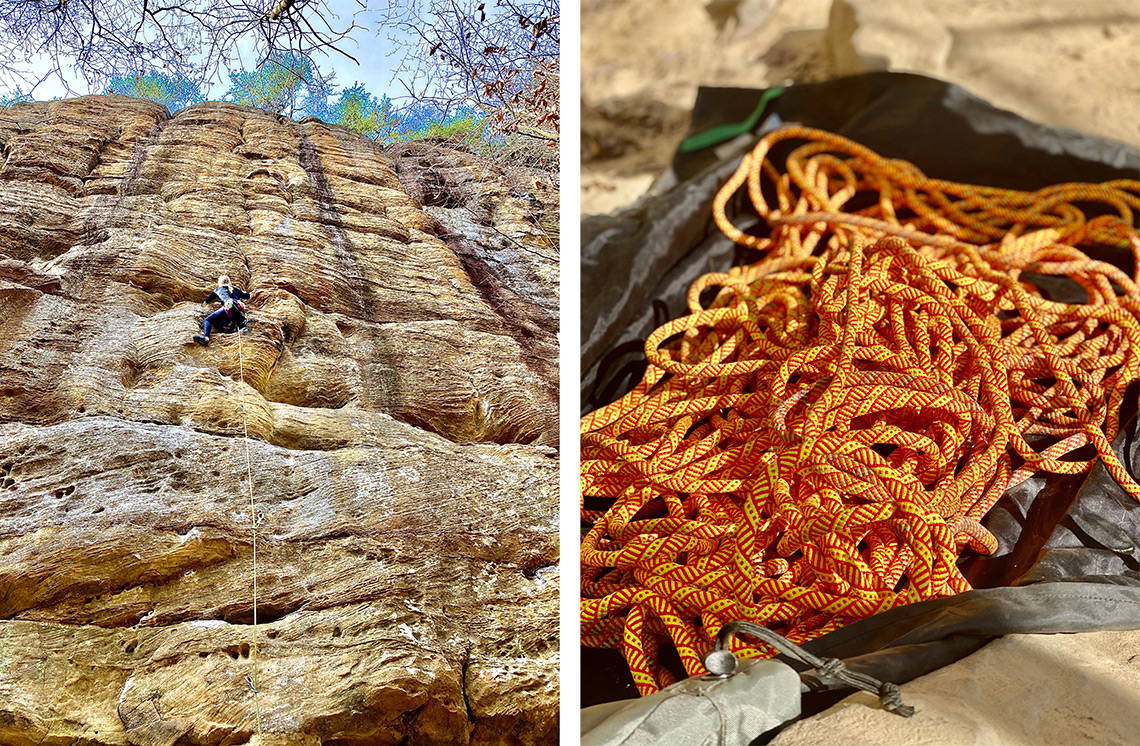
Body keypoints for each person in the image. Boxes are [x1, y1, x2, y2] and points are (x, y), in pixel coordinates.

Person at [193, 274, 251, 346]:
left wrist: (202, 305)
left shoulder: (218, 290)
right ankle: (233, 328)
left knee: (208, 320)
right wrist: (244, 292)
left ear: (220, 282)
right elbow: (247, 296)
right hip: (239, 312)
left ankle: (206, 338)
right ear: (229, 282)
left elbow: (207, 301)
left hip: (228, 308)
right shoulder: (235, 289)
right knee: (223, 322)